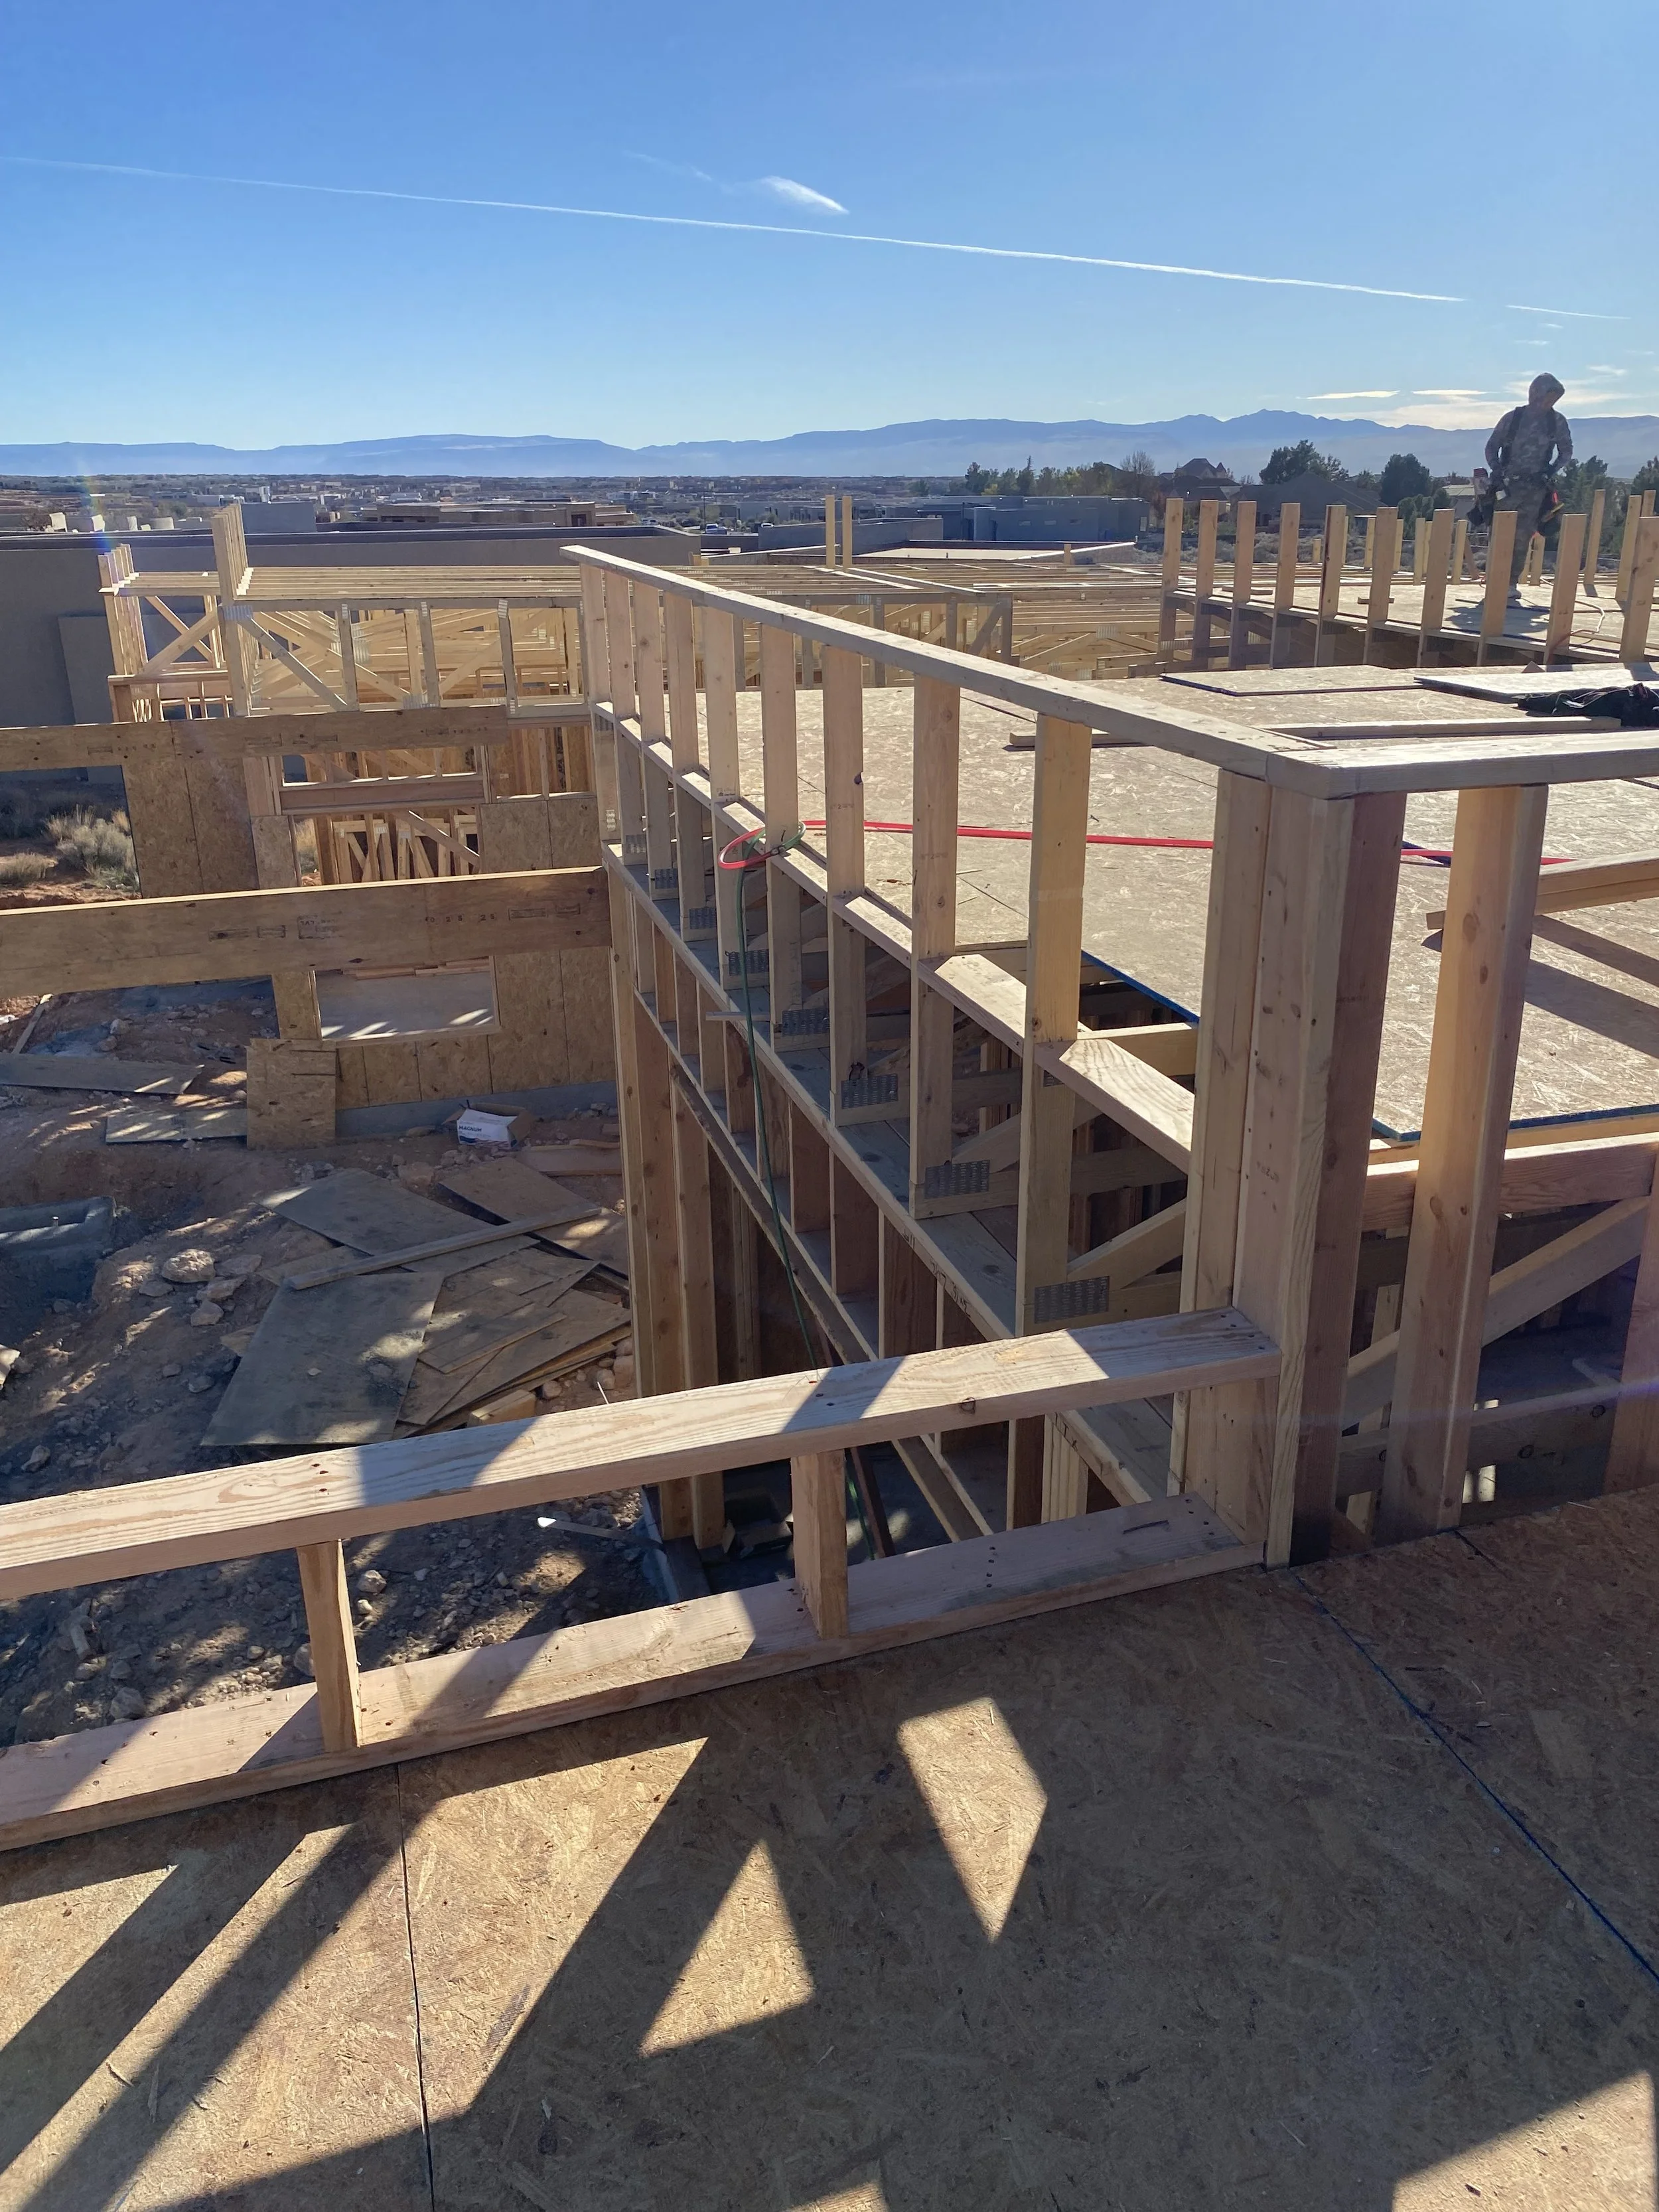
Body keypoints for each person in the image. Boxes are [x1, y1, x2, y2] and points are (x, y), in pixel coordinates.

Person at [1485, 374, 1572, 591]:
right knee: (1499, 534)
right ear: (1535, 394)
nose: (1548, 404)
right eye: (1546, 398)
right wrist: (1498, 471)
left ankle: (1511, 583)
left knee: (1523, 537)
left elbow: (1566, 452)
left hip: (1535, 489)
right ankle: (1494, 580)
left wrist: (1550, 472)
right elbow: (1491, 447)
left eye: (1553, 400)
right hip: (1507, 488)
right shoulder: (1513, 419)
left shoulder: (1556, 421)